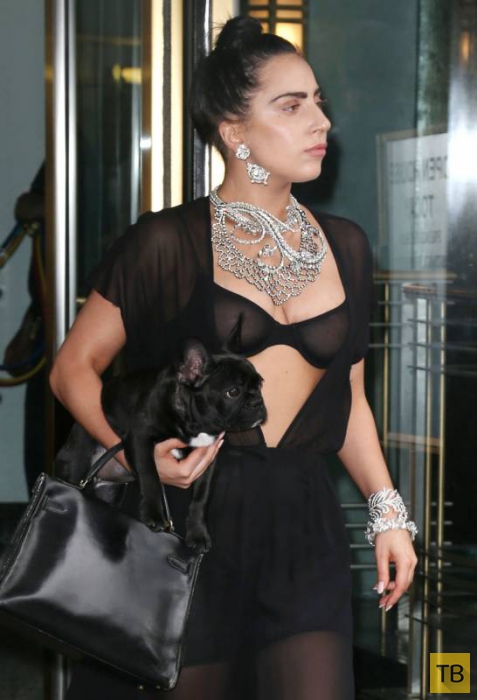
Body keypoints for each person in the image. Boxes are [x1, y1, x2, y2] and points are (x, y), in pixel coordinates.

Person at [50, 17, 418, 700]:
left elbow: (350, 401)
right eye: (292, 105)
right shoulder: (165, 242)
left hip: (302, 525)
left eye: (318, 102)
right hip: (191, 521)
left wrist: (387, 512)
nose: (321, 121)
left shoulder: (347, 245)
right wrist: (133, 454)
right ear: (233, 131)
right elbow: (72, 369)